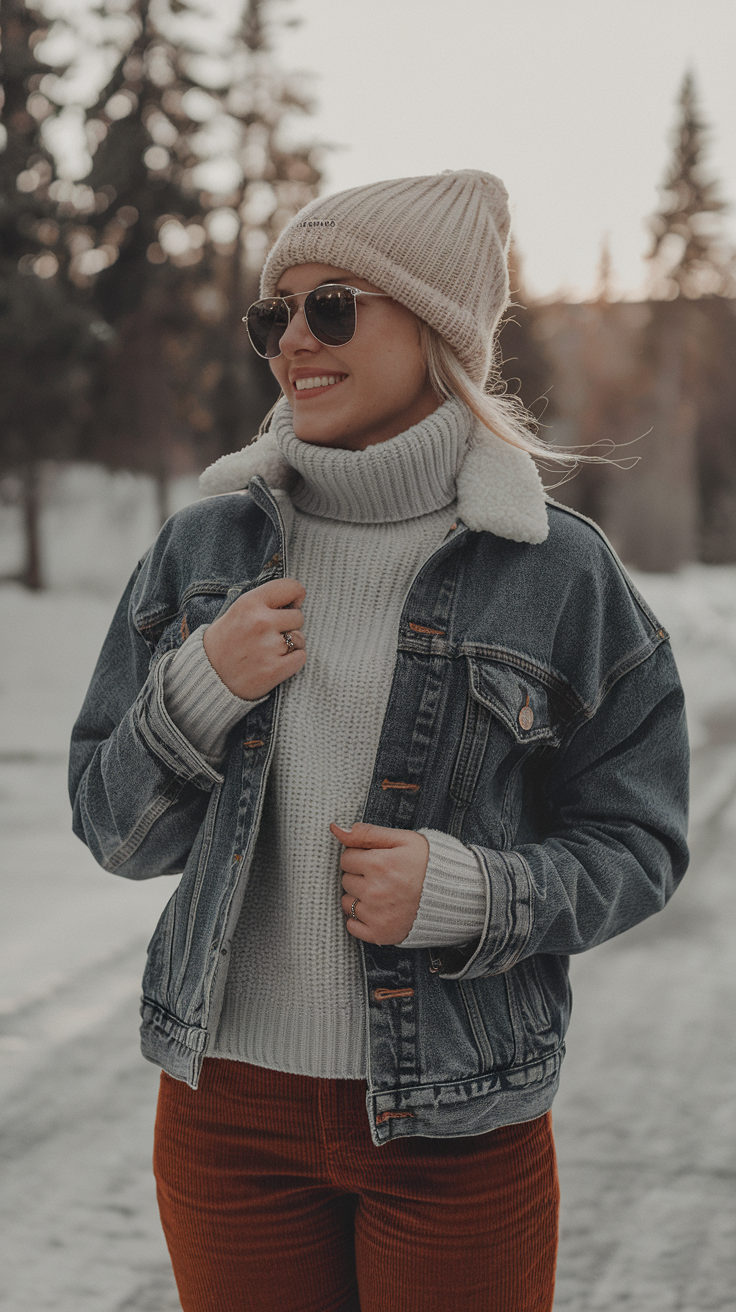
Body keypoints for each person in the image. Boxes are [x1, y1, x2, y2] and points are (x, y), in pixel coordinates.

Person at [69, 170, 689, 1312]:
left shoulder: (557, 571)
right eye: (276, 314)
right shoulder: (203, 547)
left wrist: (471, 893)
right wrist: (199, 686)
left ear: (437, 327)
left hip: (459, 1124)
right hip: (226, 1122)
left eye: (333, 306)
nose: (293, 340)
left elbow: (639, 846)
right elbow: (115, 830)